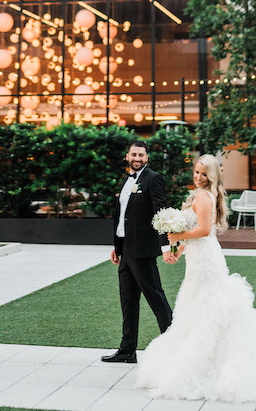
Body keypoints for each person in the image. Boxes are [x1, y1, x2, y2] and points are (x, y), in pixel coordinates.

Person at [136, 154, 256, 402]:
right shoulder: (200, 194)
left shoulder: (203, 196)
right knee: (196, 308)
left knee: (208, 308)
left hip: (206, 261)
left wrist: (174, 237)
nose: (199, 178)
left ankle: (212, 365)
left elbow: (203, 230)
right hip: (198, 256)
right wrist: (177, 251)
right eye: (196, 172)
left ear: (212, 176)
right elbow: (198, 232)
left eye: (204, 174)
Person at [101, 139, 175, 364]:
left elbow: (161, 213)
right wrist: (117, 247)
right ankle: (127, 351)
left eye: (141, 155)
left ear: (147, 158)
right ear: (127, 156)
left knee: (157, 300)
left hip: (142, 251)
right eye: (134, 154)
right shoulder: (126, 181)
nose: (137, 159)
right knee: (128, 301)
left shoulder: (153, 179)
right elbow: (122, 216)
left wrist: (166, 247)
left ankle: (176, 346)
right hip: (126, 251)